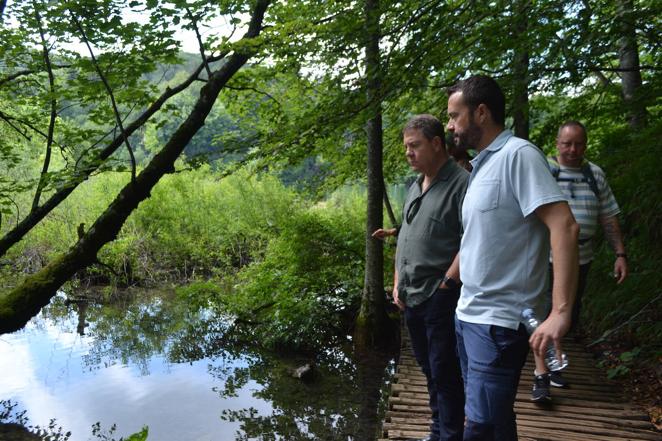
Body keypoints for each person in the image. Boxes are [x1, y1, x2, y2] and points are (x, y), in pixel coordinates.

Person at [446, 75, 579, 440]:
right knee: (495, 421)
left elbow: (564, 226)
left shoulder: (519, 155)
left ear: (482, 113)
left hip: (499, 323)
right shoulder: (482, 165)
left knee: (480, 427)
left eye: (455, 116)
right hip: (468, 316)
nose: (450, 125)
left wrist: (560, 313)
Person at [373, 114, 468, 441]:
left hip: (440, 297)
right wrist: (398, 281)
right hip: (411, 296)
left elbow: (473, 240)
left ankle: (450, 434)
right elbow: (408, 236)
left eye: (414, 146)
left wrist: (447, 285)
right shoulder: (415, 185)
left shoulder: (461, 184)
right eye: (405, 147)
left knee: (445, 372)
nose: (408, 153)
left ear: (437, 143)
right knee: (429, 370)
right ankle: (437, 430)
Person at [530, 120, 628, 401]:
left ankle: (553, 362)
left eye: (579, 144)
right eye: (567, 143)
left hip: (583, 257)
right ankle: (541, 376)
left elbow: (608, 215)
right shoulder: (545, 171)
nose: (573, 149)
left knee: (568, 314)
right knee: (546, 310)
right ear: (557, 144)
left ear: (585, 144)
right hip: (546, 257)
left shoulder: (594, 174)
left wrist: (620, 253)